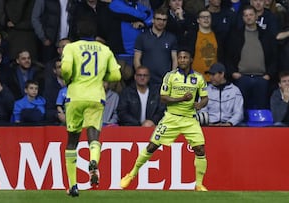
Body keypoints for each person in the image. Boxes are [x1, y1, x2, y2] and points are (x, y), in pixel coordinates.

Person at [120, 48, 209, 191]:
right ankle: (131, 174)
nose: (182, 60)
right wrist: (182, 98)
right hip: (171, 118)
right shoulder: (170, 76)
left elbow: (205, 98)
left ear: (191, 60)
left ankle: (199, 184)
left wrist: (200, 104)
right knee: (152, 146)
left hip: (189, 120)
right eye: (179, 57)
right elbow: (163, 98)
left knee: (200, 149)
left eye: (185, 57)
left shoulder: (198, 78)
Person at [61, 20, 121, 197]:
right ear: (95, 34)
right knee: (94, 134)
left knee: (72, 140)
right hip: (96, 96)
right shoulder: (105, 50)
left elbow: (65, 68)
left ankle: (73, 186)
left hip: (75, 96)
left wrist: (69, 78)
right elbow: (116, 75)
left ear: (77, 32)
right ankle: (93, 160)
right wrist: (102, 77)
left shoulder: (71, 48)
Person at [226, 5, 277, 110]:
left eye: (251, 15)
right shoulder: (235, 35)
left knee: (261, 110)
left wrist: (269, 74)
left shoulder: (266, 35)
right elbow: (227, 56)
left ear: (256, 16)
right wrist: (233, 72)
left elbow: (275, 56)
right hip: (241, 78)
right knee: (240, 110)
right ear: (243, 18)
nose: (248, 17)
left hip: (262, 79)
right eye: (246, 15)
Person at [134, 8, 178, 87]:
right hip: (147, 81)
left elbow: (175, 59)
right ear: (153, 20)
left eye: (164, 20)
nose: (161, 22)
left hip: (165, 82)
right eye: (158, 19)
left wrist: (172, 77)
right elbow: (137, 59)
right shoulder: (142, 37)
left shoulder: (171, 38)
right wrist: (141, 76)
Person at [185, 9, 218, 82]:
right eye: (203, 17)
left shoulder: (217, 35)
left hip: (214, 79)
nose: (206, 19)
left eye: (208, 17)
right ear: (198, 20)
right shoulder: (192, 36)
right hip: (195, 78)